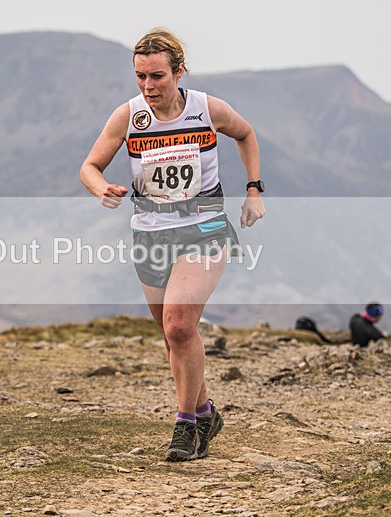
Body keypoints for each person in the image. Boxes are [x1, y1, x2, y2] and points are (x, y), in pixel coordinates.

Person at [80, 28, 265, 461]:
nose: (149, 87)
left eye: (158, 76)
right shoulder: (127, 116)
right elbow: (90, 165)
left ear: (179, 71)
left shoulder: (207, 108)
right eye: (141, 77)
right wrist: (99, 187)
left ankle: (186, 426)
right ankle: (205, 411)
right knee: (171, 336)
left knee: (180, 325)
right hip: (150, 232)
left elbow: (246, 134)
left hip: (204, 226)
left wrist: (254, 189)